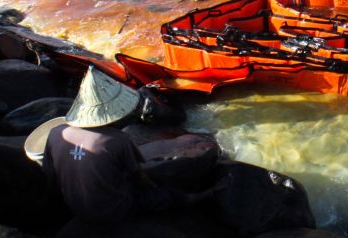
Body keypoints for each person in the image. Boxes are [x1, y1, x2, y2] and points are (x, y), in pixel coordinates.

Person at [41, 66, 220, 225]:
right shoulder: (116, 140)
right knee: (165, 196)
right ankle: (199, 199)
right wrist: (155, 190)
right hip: (111, 213)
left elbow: (50, 176)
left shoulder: (57, 133)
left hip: (74, 207)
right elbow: (139, 179)